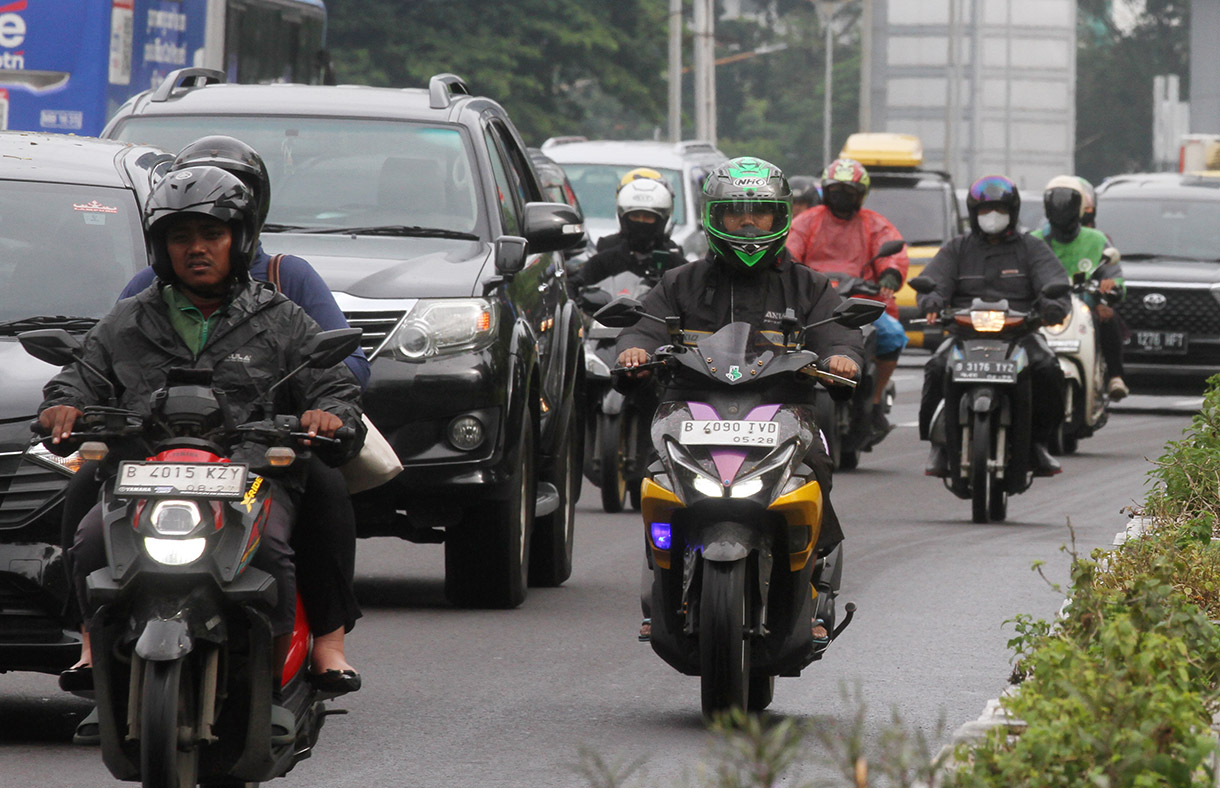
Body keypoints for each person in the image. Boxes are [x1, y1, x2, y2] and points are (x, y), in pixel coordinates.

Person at [43, 167, 365, 712]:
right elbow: (81, 373)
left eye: (211, 235)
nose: (196, 249)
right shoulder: (129, 318)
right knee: (90, 530)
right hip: (141, 473)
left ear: (238, 241)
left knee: (279, 545)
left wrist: (328, 414)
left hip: (251, 475)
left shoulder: (281, 317)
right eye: (180, 237)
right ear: (160, 247)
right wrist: (63, 405)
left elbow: (333, 384)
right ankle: (95, 647)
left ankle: (293, 671)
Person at [615, 156, 864, 643]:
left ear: (780, 217)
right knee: (656, 476)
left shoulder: (808, 285)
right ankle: (661, 581)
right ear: (714, 217)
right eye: (735, 213)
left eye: (760, 213)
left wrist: (842, 358)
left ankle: (812, 584)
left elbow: (839, 332)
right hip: (691, 407)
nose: (748, 223)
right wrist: (632, 351)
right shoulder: (679, 282)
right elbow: (640, 325)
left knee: (815, 467)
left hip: (782, 408)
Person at [917, 175, 1071, 478]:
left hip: (1020, 335)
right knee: (936, 368)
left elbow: (1055, 283)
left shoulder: (1031, 248)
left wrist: (1052, 308)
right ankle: (939, 446)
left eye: (999, 209)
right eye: (985, 210)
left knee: (1049, 370)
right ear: (974, 213)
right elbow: (932, 283)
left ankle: (1038, 444)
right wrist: (932, 301)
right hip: (964, 335)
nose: (992, 216)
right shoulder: (957, 248)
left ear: (1012, 211)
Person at [786, 157, 910, 436]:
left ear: (861, 195)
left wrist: (890, 274)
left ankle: (875, 402)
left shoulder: (875, 224)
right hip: (813, 303)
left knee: (892, 334)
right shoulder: (807, 221)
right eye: (836, 190)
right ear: (826, 192)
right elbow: (790, 251)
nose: (842, 197)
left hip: (862, 304)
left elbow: (892, 252)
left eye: (849, 192)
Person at [1031, 175, 1128, 400]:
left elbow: (1116, 279)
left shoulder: (1097, 240)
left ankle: (1115, 376)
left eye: (1069, 203)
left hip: (1086, 311)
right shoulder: (1034, 241)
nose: (1062, 208)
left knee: (1108, 316)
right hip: (1044, 310)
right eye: (1056, 202)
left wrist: (1109, 291)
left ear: (1081, 208)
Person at [568, 174, 685, 293]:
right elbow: (574, 286)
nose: (641, 222)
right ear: (623, 218)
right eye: (635, 216)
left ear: (662, 220)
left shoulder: (676, 265)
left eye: (648, 217)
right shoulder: (605, 261)